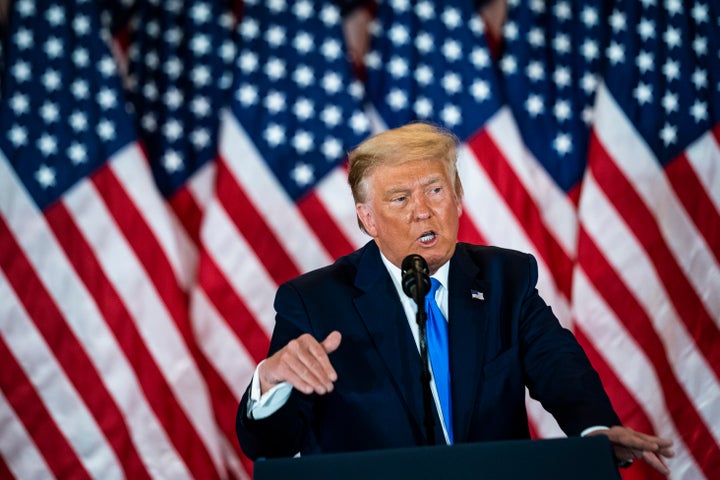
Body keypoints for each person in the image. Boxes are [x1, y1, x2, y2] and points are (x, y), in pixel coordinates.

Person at [235, 122, 674, 475]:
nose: (423, 210)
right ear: (367, 219)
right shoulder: (314, 301)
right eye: (400, 198)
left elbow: (559, 368)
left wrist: (594, 430)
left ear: (459, 197)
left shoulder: (507, 278)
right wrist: (271, 383)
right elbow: (270, 445)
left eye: (436, 190)